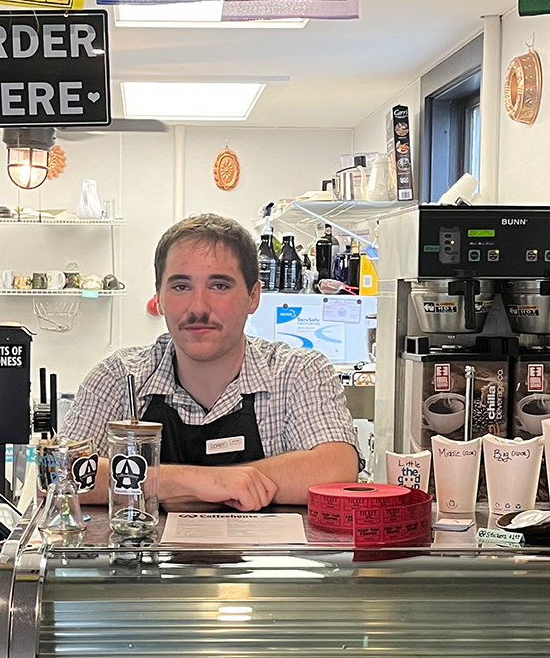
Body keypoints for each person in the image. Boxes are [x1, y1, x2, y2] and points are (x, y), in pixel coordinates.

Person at [61, 213, 359, 511]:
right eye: (181, 286)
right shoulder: (118, 376)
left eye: (219, 286)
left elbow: (336, 470)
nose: (198, 307)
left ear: (253, 296)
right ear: (159, 298)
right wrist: (177, 482)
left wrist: (178, 485)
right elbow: (58, 474)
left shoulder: (298, 372)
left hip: (267, 558)